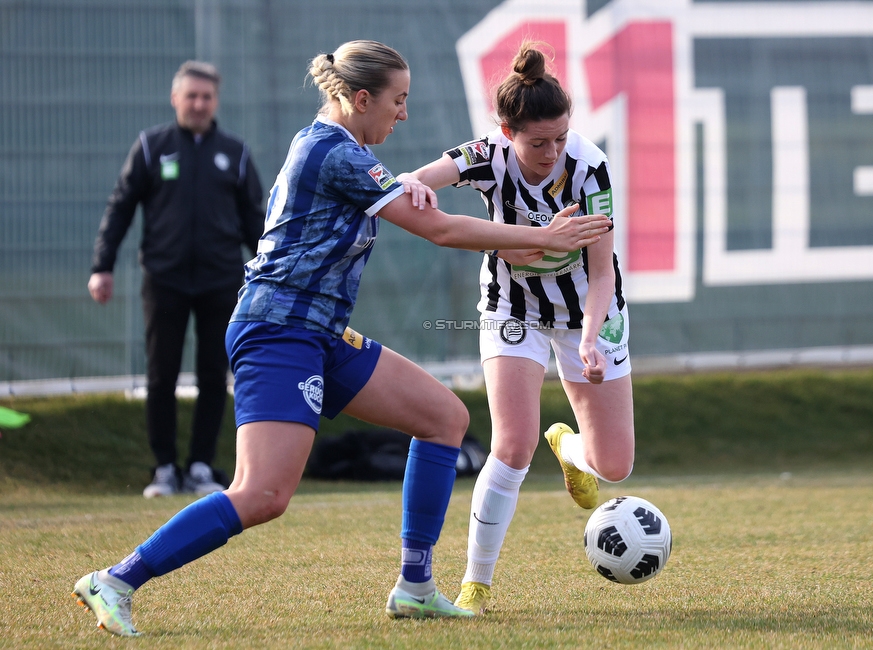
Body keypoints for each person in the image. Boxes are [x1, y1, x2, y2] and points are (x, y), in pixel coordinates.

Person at [71, 40, 611, 636]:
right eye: (397, 100)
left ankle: (416, 587)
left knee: (444, 419)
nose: (402, 114)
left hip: (320, 333)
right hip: (279, 332)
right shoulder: (334, 153)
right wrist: (541, 239)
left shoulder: (342, 148)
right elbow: (436, 229)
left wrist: (428, 194)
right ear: (360, 98)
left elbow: (418, 202)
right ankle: (115, 580)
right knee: (263, 494)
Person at [398, 42, 635, 615]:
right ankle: (475, 586)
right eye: (536, 142)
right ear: (507, 131)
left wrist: (588, 337)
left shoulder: (591, 167)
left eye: (559, 137)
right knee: (510, 444)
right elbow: (419, 179)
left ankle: (572, 451)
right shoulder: (487, 154)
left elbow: (602, 271)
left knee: (615, 465)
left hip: (588, 314)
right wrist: (418, 185)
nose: (551, 152)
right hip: (512, 311)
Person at [88, 61, 265, 498]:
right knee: (160, 375)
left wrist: (268, 273)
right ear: (176, 99)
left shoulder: (236, 153)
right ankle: (164, 469)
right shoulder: (152, 147)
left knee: (213, 375)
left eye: (207, 97)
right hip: (163, 279)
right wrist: (101, 266)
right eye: (192, 96)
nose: (199, 104)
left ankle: (201, 468)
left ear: (215, 102)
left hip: (221, 280)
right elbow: (121, 208)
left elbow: (255, 223)